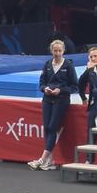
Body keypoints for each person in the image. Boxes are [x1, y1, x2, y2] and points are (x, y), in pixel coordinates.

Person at [28, 40, 78, 171]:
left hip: (61, 100)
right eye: (55, 51)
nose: (57, 53)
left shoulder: (68, 65)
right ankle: (49, 161)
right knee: (47, 128)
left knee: (52, 127)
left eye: (59, 51)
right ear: (51, 51)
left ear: (63, 51)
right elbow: (41, 83)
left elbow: (74, 86)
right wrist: (44, 89)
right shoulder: (47, 64)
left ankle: (42, 159)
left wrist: (61, 90)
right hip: (47, 99)